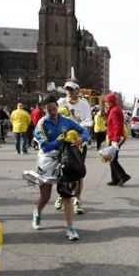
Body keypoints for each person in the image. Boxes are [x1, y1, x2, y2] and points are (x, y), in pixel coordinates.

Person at [31, 94, 88, 240]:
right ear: (44, 109)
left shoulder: (66, 121)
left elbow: (84, 131)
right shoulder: (41, 124)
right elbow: (44, 146)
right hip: (47, 160)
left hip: (64, 159)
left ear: (57, 106)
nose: (53, 112)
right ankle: (37, 212)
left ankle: (70, 229)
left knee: (67, 195)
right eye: (49, 110)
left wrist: (81, 138)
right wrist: (60, 140)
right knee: (46, 196)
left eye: (54, 109)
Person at [56, 79, 93, 214]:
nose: (69, 92)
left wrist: (80, 135)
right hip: (63, 142)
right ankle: (61, 195)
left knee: (78, 173)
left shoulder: (84, 104)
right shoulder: (60, 103)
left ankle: (77, 200)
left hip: (78, 142)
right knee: (62, 170)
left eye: (72, 89)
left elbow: (89, 122)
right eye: (67, 89)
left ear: (78, 90)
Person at [105, 93, 130, 186]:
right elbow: (112, 123)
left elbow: (118, 126)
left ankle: (123, 176)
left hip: (115, 138)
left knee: (112, 159)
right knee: (112, 158)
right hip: (114, 137)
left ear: (111, 102)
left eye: (107, 102)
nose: (106, 104)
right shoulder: (113, 110)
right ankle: (115, 179)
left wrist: (115, 140)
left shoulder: (115, 111)